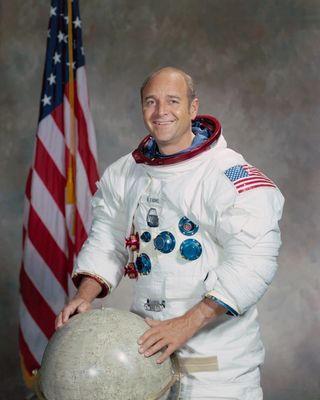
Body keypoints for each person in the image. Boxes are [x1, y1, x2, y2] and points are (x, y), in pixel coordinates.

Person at [56, 67, 284, 399]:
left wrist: (186, 324)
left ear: (193, 108)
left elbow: (254, 261)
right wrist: (84, 296)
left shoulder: (228, 175)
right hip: (145, 358)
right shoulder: (126, 173)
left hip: (218, 368)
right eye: (151, 101)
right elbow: (108, 236)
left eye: (173, 100)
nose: (161, 111)